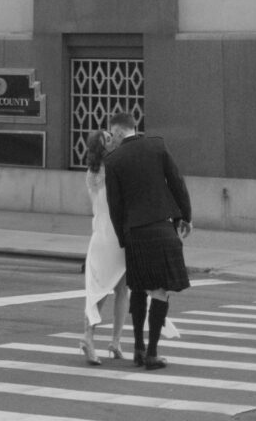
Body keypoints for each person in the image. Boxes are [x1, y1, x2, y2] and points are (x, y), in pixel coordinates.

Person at [103, 106, 192, 371]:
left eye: (112, 134)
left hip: (135, 233)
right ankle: (153, 353)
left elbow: (114, 206)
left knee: (139, 288)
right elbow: (176, 182)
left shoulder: (114, 161)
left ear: (119, 131)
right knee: (160, 291)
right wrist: (184, 216)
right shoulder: (157, 147)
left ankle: (139, 349)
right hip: (161, 229)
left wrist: (123, 238)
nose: (112, 139)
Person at [80, 130, 127, 364]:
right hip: (115, 235)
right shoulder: (114, 169)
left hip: (99, 234)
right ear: (104, 147)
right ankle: (111, 340)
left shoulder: (92, 172)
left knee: (102, 288)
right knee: (119, 289)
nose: (113, 140)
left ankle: (94, 336)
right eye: (109, 139)